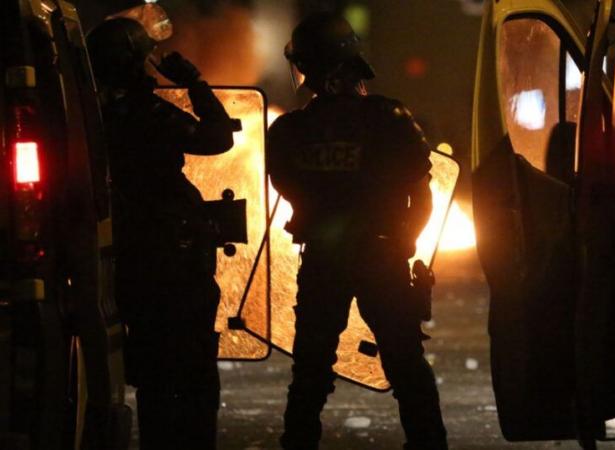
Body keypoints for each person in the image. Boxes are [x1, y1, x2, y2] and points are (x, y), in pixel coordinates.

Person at [268, 12, 448, 450]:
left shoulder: (291, 129)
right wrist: (404, 239)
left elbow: (288, 187)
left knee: (310, 371)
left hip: (324, 261)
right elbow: (420, 193)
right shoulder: (389, 118)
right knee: (406, 363)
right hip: (382, 258)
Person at [87, 18, 234, 450]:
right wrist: (194, 83)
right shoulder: (149, 113)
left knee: (152, 375)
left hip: (130, 260)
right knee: (194, 373)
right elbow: (218, 137)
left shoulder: (93, 119)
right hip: (176, 259)